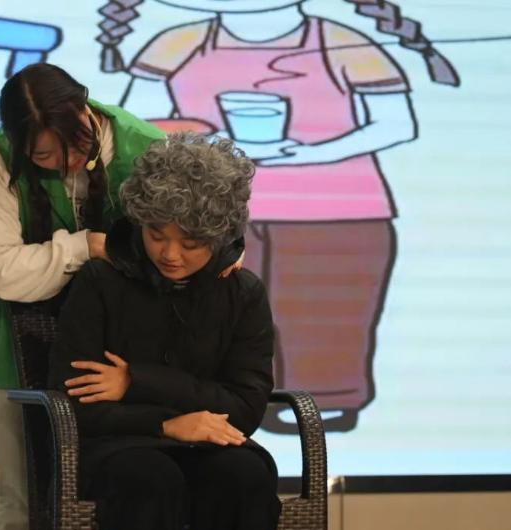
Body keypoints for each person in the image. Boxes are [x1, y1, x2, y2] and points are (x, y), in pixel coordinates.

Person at [96, 0, 459, 430]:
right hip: (196, 220)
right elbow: (142, 128)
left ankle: (327, 400)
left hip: (337, 211)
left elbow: (396, 122)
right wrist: (207, 139)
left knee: (324, 319)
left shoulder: (342, 42)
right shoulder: (177, 44)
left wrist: (311, 152)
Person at [0, 62, 166, 530]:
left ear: (84, 108)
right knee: (18, 502)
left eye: (76, 144)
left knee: (132, 488)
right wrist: (86, 247)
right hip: (19, 344)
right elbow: (2, 271)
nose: (68, 162)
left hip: (126, 351)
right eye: (44, 156)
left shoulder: (147, 149)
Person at [48, 132, 281, 530]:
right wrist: (165, 425)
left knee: (245, 476)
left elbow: (245, 410)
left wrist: (135, 382)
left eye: (191, 244)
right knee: (150, 480)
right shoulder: (100, 282)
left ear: (218, 236)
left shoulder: (243, 293)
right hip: (117, 448)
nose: (170, 255)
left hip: (209, 445)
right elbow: (76, 405)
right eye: (156, 235)